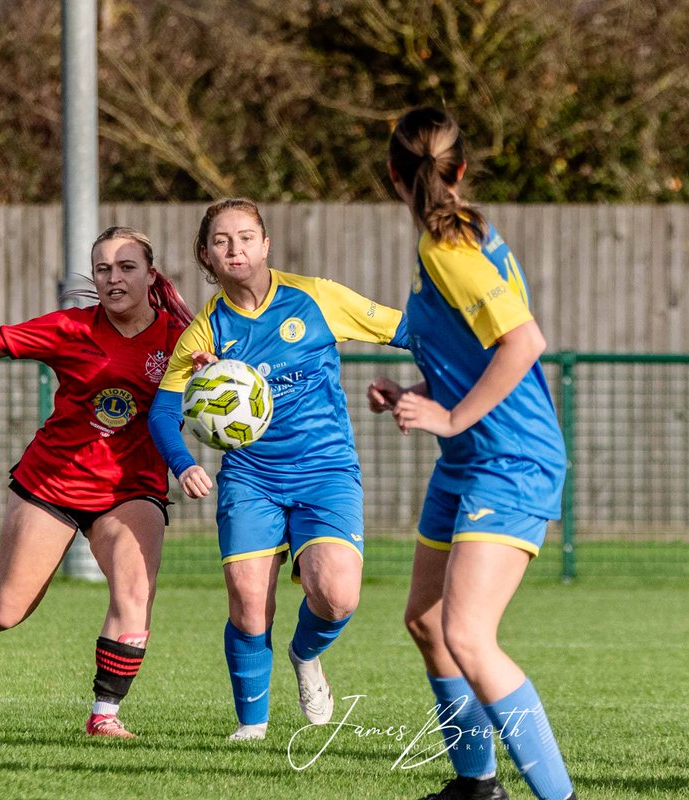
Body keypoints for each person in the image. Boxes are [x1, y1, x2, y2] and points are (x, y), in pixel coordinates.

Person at [368, 107, 576, 800]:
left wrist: (451, 414)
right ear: (459, 168)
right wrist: (421, 391)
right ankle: (477, 787)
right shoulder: (460, 238)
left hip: (510, 458)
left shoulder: (449, 248)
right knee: (428, 621)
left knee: (468, 634)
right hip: (469, 456)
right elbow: (476, 349)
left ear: (395, 174)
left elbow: (524, 343)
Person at [148, 197, 408, 741]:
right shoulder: (205, 332)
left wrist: (457, 361)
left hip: (325, 470)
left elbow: (404, 331)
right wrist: (183, 462)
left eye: (246, 237)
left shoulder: (316, 297)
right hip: (250, 477)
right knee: (248, 606)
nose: (235, 248)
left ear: (266, 245)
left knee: (337, 595)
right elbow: (164, 412)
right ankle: (252, 728)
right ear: (206, 256)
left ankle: (305, 655)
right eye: (222, 241)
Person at [0, 225, 193, 740]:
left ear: (150, 275)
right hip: (53, 482)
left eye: (126, 267)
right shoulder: (71, 328)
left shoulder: (181, 340)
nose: (114, 278)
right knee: (6, 611)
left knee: (135, 590)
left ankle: (104, 715)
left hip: (131, 489)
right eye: (103, 269)